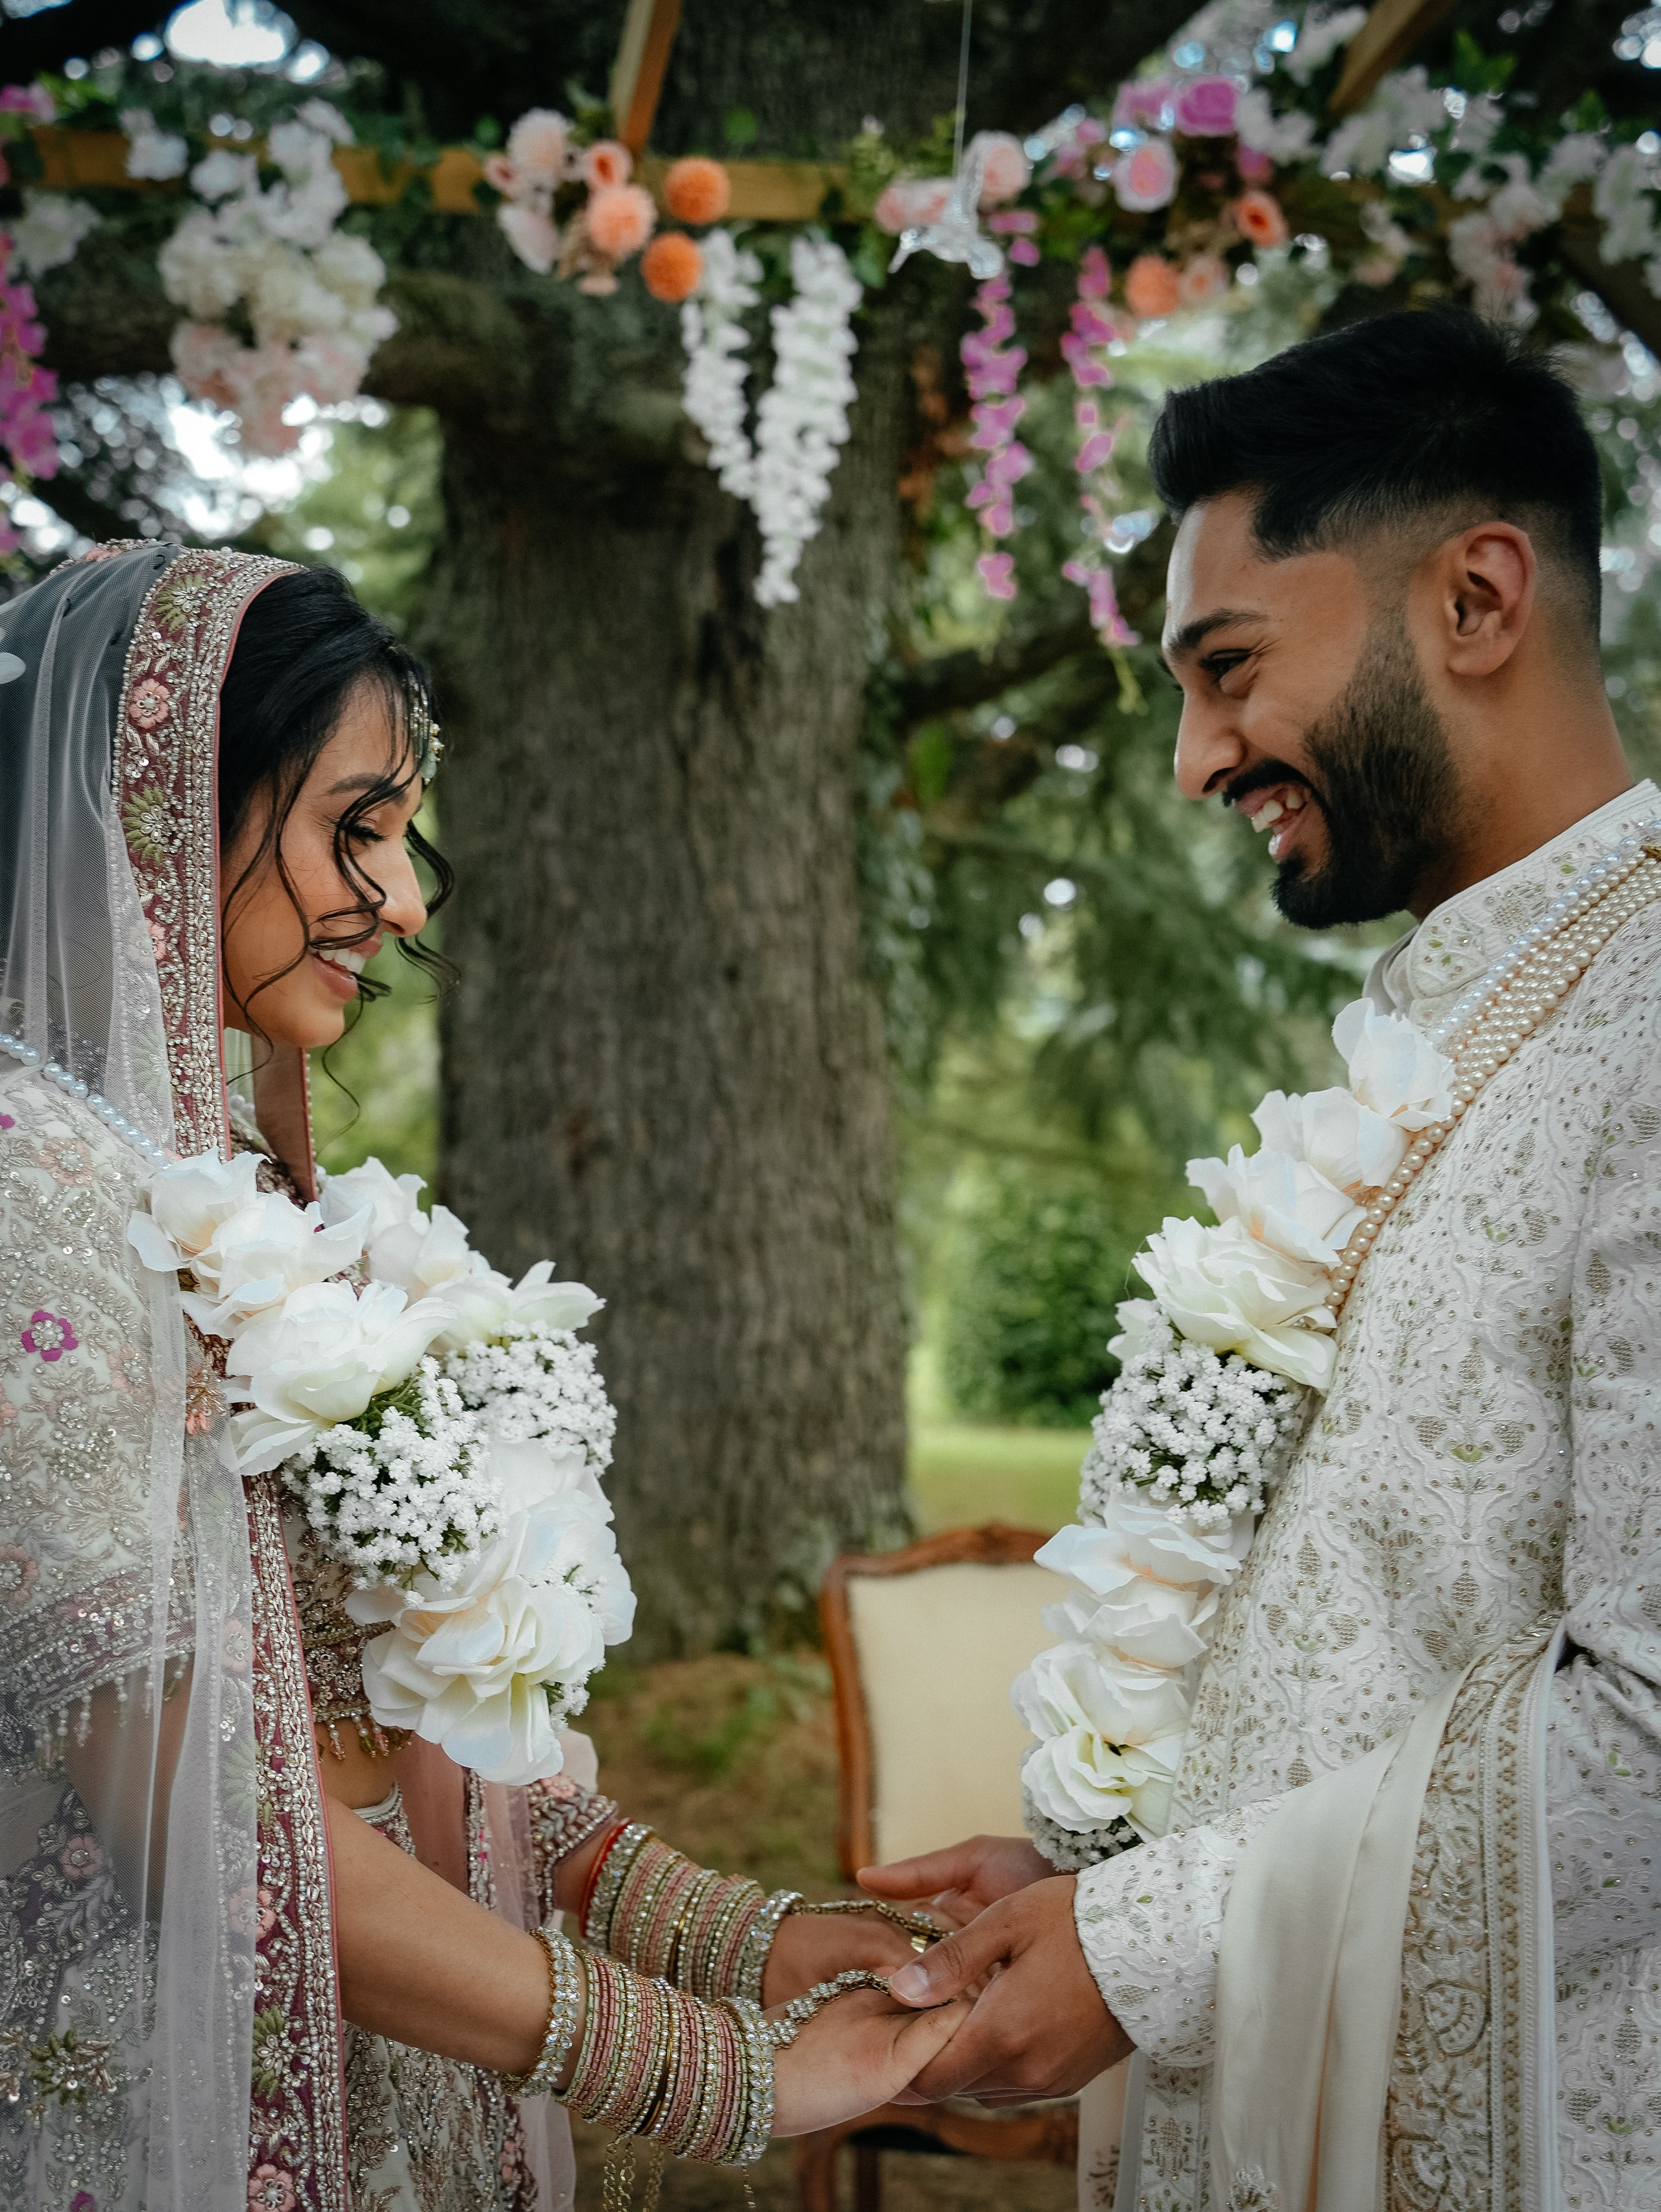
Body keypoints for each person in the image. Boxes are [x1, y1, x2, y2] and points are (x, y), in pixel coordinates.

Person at [0, 542, 960, 2212]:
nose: (406, 898)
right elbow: (207, 1822)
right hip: (151, 2111)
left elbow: (392, 1710)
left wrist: (747, 1934)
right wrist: (723, 2068)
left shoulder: (220, 1191)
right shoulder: (32, 1194)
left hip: (390, 2069)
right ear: (161, 812)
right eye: (353, 828)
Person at [865, 309, 1661, 2209]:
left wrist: (1145, 1954)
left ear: (1478, 598)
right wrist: (1104, 1886)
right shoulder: (1454, 1029)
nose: (1197, 759)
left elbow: (1649, 1729)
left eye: (1230, 667)